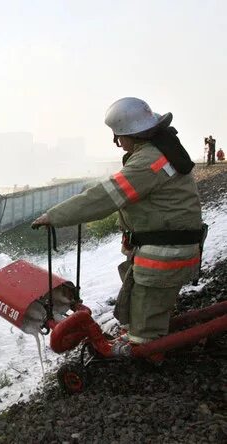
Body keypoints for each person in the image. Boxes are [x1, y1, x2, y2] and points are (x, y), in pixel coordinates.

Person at [32, 97, 204, 347]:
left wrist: (54, 216)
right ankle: (146, 332)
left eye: (118, 136)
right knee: (141, 307)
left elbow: (104, 197)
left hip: (165, 255)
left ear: (132, 134)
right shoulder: (159, 151)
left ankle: (148, 353)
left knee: (145, 330)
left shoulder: (148, 164)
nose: (117, 143)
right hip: (170, 249)